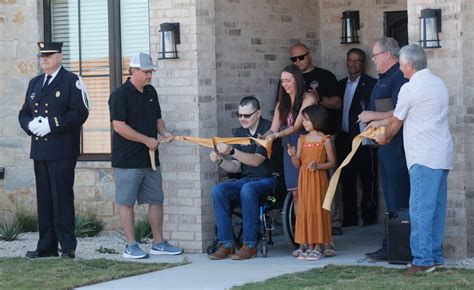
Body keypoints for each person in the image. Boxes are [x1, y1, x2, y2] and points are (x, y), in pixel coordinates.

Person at [369, 44, 453, 275]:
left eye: (401, 65)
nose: (400, 68)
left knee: (419, 210)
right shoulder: (438, 83)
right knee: (436, 208)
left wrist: (383, 138)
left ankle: (423, 260)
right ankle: (435, 255)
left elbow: (396, 121)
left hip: (422, 156)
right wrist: (380, 124)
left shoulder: (410, 87)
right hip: (442, 154)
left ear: (408, 65)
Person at [108, 52, 183, 259]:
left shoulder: (151, 92)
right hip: (127, 160)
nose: (150, 76)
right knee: (126, 202)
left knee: (156, 199)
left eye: (151, 72)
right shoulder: (120, 95)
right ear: (133, 71)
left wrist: (164, 133)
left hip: (150, 159)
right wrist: (145, 140)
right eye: (146, 72)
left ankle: (158, 243)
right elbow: (119, 126)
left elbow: (157, 119)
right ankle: (131, 246)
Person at [18, 41, 89, 259]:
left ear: (59, 57)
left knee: (62, 198)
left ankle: (67, 246)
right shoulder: (35, 83)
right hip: (40, 149)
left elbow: (80, 113)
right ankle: (46, 246)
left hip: (62, 149)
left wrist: (52, 124)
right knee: (45, 199)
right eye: (41, 56)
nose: (44, 59)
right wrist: (30, 124)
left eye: (48, 55)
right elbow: (24, 113)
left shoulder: (71, 81)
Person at [208, 96, 281, 260]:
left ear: (258, 113)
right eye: (239, 115)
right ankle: (226, 244)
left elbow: (256, 161)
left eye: (246, 115)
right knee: (219, 190)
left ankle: (250, 245)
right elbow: (235, 166)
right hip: (247, 181)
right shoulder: (240, 133)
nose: (242, 118)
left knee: (248, 189)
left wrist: (232, 151)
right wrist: (220, 161)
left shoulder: (268, 129)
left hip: (270, 181)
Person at [358, 37, 410, 261]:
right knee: (390, 200)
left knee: (398, 200)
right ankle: (391, 246)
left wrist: (372, 116)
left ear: (388, 54)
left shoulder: (399, 77)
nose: (373, 59)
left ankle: (400, 249)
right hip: (384, 148)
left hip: (397, 148)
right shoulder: (384, 79)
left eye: (376, 55)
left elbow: (402, 110)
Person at [289, 43, 343, 235]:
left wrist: (317, 99)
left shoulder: (325, 76)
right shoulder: (291, 79)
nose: (297, 62)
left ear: (309, 55)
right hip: (300, 137)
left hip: (325, 136)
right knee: (304, 181)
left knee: (329, 177)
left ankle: (333, 221)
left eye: (301, 57)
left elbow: (337, 103)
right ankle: (308, 227)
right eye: (293, 59)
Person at [264, 64, 317, 211]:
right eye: (282, 81)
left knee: (309, 191)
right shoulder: (281, 103)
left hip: (308, 147)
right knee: (295, 192)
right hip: (290, 149)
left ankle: (311, 227)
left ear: (298, 80)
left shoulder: (309, 98)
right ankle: (299, 229)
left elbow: (296, 126)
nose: (284, 84)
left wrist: (276, 135)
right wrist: (261, 137)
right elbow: (272, 129)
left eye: (288, 80)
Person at [335, 48, 378, 228]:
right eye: (351, 60)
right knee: (346, 179)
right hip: (343, 139)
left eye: (358, 61)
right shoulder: (339, 84)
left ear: (364, 63)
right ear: (346, 61)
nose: (354, 64)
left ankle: (369, 218)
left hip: (363, 139)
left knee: (368, 180)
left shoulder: (372, 84)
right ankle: (350, 219)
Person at [288, 105, 336, 260]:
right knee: (305, 209)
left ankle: (319, 245)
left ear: (317, 120)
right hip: (304, 179)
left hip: (319, 180)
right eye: (303, 120)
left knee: (318, 209)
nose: (304, 123)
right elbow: (297, 164)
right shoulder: (302, 139)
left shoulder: (325, 140)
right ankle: (307, 244)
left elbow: (332, 162)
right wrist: (293, 156)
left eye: (306, 120)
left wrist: (318, 166)